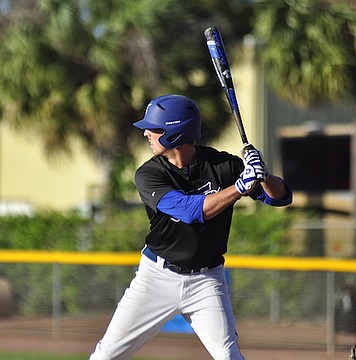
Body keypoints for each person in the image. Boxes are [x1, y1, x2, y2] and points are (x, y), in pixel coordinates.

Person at [90, 94, 292, 360]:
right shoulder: (149, 174)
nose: (146, 134)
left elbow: (281, 197)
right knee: (106, 356)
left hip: (207, 281)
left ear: (174, 132)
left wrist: (263, 175)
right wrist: (240, 187)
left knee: (228, 356)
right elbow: (190, 211)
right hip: (156, 278)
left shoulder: (222, 165)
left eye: (155, 128)